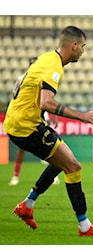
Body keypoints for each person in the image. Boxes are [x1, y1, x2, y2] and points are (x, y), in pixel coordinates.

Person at [3, 26, 93, 236]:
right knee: (73, 167)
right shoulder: (54, 67)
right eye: (82, 46)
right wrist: (82, 116)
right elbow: (46, 102)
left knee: (62, 160)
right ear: (73, 46)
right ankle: (85, 227)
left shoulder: (46, 58)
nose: (83, 51)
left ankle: (27, 205)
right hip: (26, 127)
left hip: (17, 122)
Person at [8, 57, 60, 186]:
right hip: (26, 117)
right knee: (25, 148)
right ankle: (15, 176)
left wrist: (54, 115)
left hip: (40, 116)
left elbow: (48, 99)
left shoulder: (41, 78)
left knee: (49, 145)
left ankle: (51, 175)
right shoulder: (22, 79)